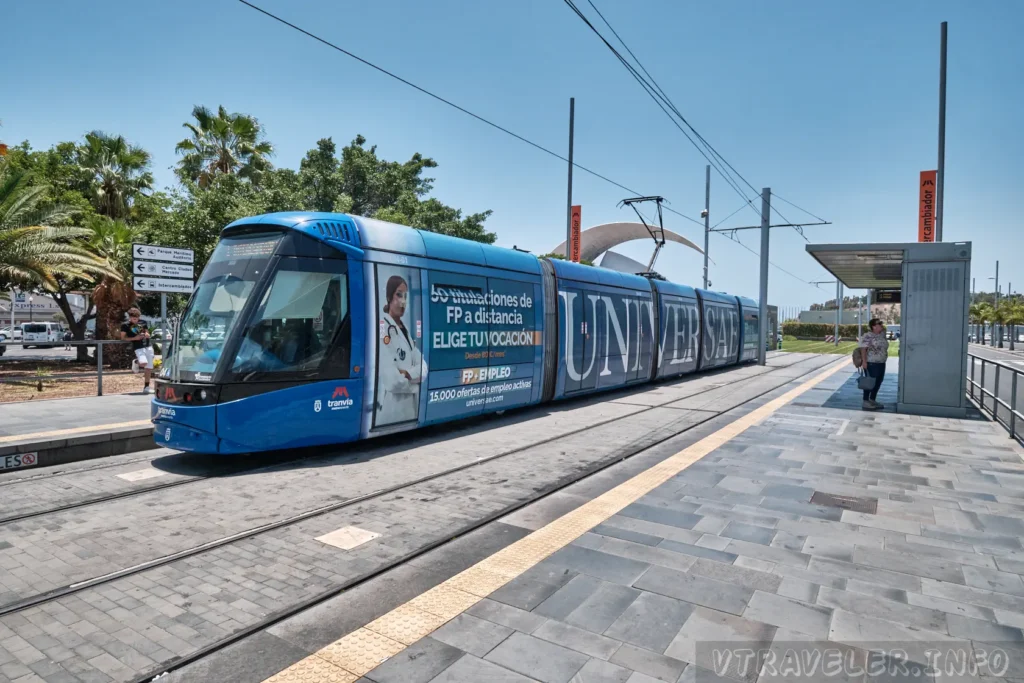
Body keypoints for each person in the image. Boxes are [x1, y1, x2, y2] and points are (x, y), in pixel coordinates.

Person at [375, 275, 426, 425]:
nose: (403, 301)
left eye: (405, 296)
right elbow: (392, 381)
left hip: (410, 411)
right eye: (399, 294)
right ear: (389, 297)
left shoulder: (404, 330)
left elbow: (424, 367)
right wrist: (417, 385)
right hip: (393, 412)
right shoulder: (382, 328)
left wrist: (409, 373)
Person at [121, 308, 154, 394]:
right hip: (138, 347)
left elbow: (148, 333)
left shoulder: (143, 322)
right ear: (130, 317)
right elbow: (123, 338)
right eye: (133, 318)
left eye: (137, 318)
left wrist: (147, 334)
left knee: (149, 368)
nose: (135, 320)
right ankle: (136, 362)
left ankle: (146, 387)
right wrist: (134, 338)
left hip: (148, 345)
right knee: (143, 363)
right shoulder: (125, 325)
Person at [858, 318, 889, 410]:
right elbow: (863, 349)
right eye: (879, 324)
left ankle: (872, 399)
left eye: (881, 324)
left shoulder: (882, 335)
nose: (881, 325)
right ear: (873, 326)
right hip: (872, 363)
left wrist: (881, 327)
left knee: (878, 382)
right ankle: (865, 401)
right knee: (870, 382)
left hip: (881, 362)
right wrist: (864, 361)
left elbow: (883, 329)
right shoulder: (868, 336)